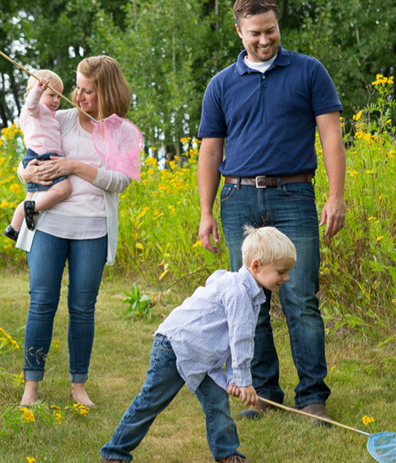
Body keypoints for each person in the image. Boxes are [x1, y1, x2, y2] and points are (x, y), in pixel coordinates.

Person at [196, 0, 346, 423]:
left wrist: (336, 197)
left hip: (293, 196)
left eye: (271, 30)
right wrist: (205, 211)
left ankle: (312, 395)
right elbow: (210, 150)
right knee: (246, 300)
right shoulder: (222, 84)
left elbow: (331, 135)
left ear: (278, 26)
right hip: (238, 198)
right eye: (255, 33)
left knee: (300, 297)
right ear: (239, 33)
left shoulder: (309, 71)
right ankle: (261, 392)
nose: (265, 40)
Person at [100, 226, 296, 463]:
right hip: (176, 347)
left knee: (218, 403)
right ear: (256, 266)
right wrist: (245, 382)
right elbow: (241, 340)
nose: (286, 278)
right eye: (281, 272)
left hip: (204, 358)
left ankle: (227, 453)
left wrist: (235, 378)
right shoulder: (239, 293)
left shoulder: (250, 292)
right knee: (151, 401)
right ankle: (114, 453)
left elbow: (238, 341)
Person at [15, 55, 139, 407]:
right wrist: (25, 175)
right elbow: (29, 155)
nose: (78, 96)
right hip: (50, 224)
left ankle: (78, 386)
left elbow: (120, 182)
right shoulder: (61, 119)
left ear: (108, 92)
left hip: (93, 228)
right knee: (41, 303)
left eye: (88, 91)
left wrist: (74, 166)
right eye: (78, 88)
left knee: (83, 308)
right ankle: (31, 387)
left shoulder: (125, 133)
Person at [3, 70, 72, 241]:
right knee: (64, 189)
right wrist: (38, 90)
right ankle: (32, 208)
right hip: (41, 157)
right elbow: (31, 103)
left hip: (36, 157)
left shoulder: (48, 114)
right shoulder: (34, 110)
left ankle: (14, 227)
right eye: (51, 94)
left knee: (32, 195)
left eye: (59, 96)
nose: (56, 100)